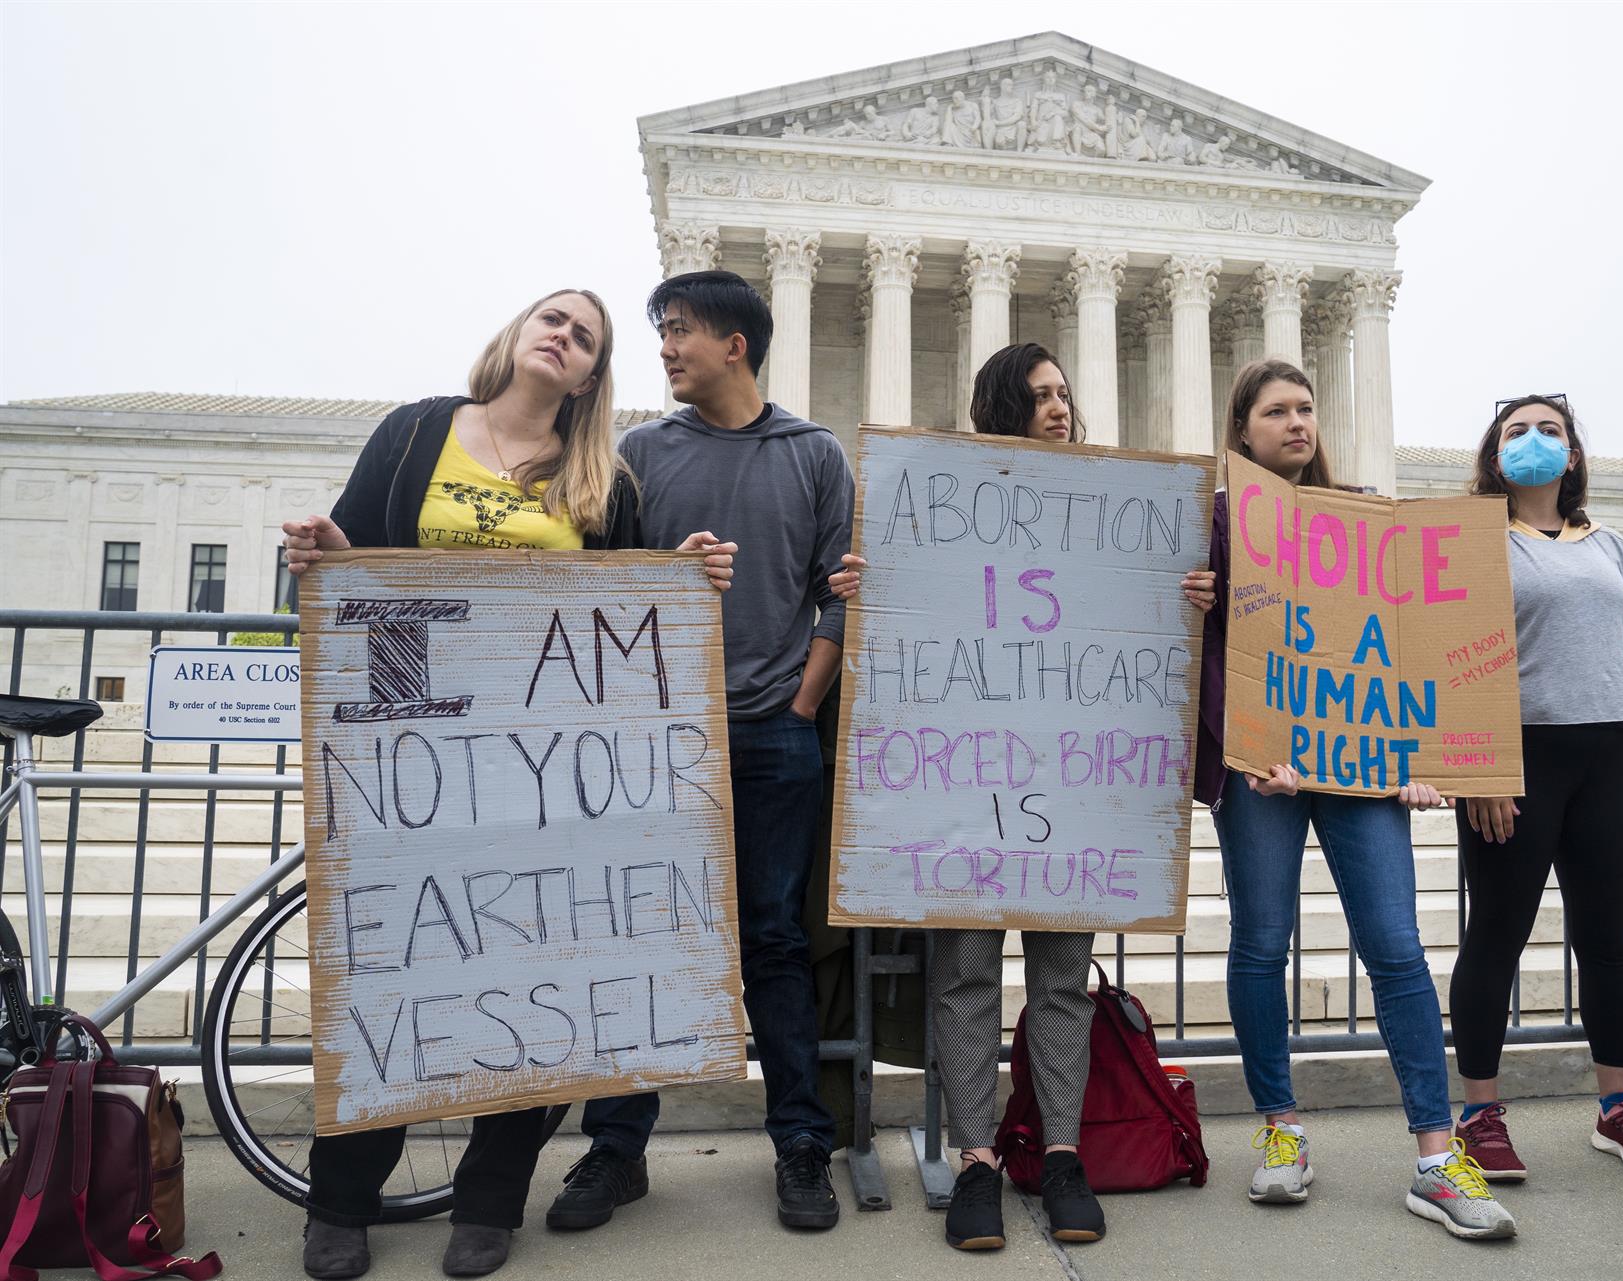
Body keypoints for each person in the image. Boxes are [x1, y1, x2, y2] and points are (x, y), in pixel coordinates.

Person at [280, 288, 735, 1280]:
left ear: (589, 374)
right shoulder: (414, 436)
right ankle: (341, 1199)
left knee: (535, 975)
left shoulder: (602, 481)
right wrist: (321, 552)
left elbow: (622, 620)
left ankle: (490, 1201)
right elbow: (350, 573)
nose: (563, 334)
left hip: (536, 775)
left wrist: (683, 576)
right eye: (553, 318)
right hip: (405, 757)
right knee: (387, 974)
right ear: (518, 334)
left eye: (585, 336)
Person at [828, 343, 1214, 1252]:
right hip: (968, 787)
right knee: (964, 979)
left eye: (1065, 395)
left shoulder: (1115, 509)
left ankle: (1065, 1151)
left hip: (1071, 793)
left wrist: (1186, 594)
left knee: (1061, 981)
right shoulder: (948, 504)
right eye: (1040, 394)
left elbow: (1132, 619)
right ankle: (974, 1160)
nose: (1058, 408)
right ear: (1003, 402)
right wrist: (864, 586)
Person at [553, 270, 855, 1236]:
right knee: (642, 933)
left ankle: (801, 1145)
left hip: (774, 734)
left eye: (680, 331)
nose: (667, 348)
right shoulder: (636, 454)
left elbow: (842, 589)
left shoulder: (814, 455)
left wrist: (803, 702)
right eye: (663, 332)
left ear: (736, 344)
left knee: (773, 939)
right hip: (656, 739)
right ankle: (615, 1148)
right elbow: (596, 591)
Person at [1198, 358, 1518, 1240]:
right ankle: (1280, 1128)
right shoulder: (1216, 519)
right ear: (1244, 428)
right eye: (1277, 411)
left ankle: (1435, 1153)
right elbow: (1205, 644)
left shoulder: (1370, 517)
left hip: (1359, 765)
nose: (1298, 422)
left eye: (1306, 408)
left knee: (1396, 945)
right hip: (1262, 766)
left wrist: (1414, 755)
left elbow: (1407, 645)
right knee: (1261, 943)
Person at [1448, 394, 1623, 1180]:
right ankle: (1479, 1114)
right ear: (1493, 456)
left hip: (1612, 756)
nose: (1535, 441)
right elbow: (1453, 656)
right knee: (1496, 935)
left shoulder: (1612, 547)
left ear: (1574, 455)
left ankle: (1619, 1108)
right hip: (1518, 759)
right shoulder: (1474, 542)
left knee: (1606, 938)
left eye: (1551, 430)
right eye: (1517, 431)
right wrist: (1475, 765)